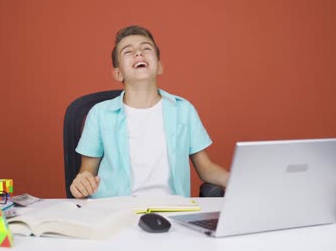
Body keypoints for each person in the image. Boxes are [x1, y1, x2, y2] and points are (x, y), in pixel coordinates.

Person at [70, 25, 229, 199]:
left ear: (159, 66)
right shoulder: (99, 114)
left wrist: (236, 180)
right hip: (115, 211)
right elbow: (87, 172)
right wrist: (82, 182)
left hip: (172, 211)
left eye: (146, 48)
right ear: (118, 73)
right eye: (128, 52)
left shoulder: (183, 110)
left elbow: (206, 168)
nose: (139, 53)